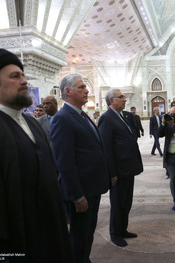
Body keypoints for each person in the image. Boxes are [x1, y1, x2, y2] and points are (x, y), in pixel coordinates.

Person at [0, 48, 73, 262]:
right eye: (15, 76)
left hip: (51, 234)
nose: (24, 81)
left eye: (23, 75)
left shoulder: (32, 124)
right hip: (15, 243)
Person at [50, 73, 110, 263]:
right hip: (81, 192)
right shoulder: (62, 118)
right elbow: (64, 162)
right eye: (82, 87)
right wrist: (77, 195)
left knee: (87, 233)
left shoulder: (81, 114)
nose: (87, 90)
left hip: (91, 188)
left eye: (85, 87)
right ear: (67, 91)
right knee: (79, 236)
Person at [98, 89, 143, 247]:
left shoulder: (124, 116)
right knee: (118, 203)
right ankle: (115, 233)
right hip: (118, 170)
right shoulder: (106, 118)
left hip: (128, 168)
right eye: (121, 97)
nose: (125, 100)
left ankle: (123, 229)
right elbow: (106, 149)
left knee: (126, 201)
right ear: (112, 101)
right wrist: (112, 173)